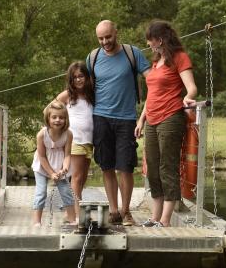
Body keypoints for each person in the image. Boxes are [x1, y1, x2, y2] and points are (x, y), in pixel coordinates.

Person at [87, 20, 150, 226]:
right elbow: (81, 85)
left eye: (108, 37)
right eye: (101, 38)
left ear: (116, 33)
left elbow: (154, 82)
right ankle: (113, 210)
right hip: (101, 117)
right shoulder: (93, 58)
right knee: (106, 165)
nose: (105, 41)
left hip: (127, 119)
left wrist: (146, 114)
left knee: (125, 167)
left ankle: (126, 211)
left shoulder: (133, 54)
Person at [135, 20, 197, 227]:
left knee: (166, 167)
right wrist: (141, 119)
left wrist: (187, 98)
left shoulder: (180, 58)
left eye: (150, 41)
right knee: (152, 167)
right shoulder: (156, 62)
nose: (148, 44)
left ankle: (165, 219)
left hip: (170, 117)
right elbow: (152, 94)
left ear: (159, 40)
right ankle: (154, 217)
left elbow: (191, 88)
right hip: (151, 119)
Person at [55, 61, 95, 220]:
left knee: (83, 177)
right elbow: (50, 110)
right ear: (70, 80)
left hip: (88, 141)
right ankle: (78, 215)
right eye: (75, 77)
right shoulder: (67, 95)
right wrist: (59, 129)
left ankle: (70, 211)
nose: (78, 80)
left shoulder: (91, 94)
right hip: (75, 140)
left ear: (87, 77)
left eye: (81, 76)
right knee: (77, 177)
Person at [31, 100, 76, 227]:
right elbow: (42, 156)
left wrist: (65, 168)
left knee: (66, 191)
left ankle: (72, 220)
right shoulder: (41, 135)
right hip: (43, 166)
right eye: (54, 117)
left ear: (65, 119)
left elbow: (67, 155)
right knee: (41, 192)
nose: (58, 120)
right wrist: (51, 173)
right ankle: (37, 222)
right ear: (48, 118)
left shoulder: (68, 134)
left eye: (61, 117)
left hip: (60, 165)